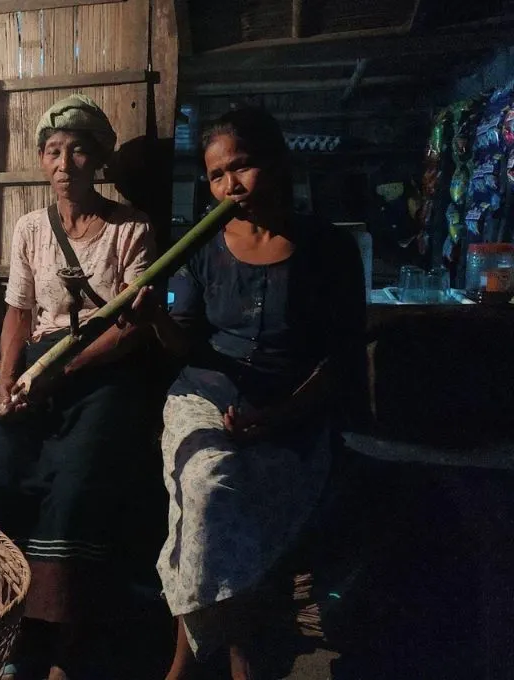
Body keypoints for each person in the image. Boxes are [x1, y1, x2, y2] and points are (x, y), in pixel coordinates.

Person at [130, 108, 367, 679]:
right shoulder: (203, 246)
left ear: (276, 163)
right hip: (204, 400)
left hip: (293, 412)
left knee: (235, 507)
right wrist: (150, 319)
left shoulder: (328, 249)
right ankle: (233, 658)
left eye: (243, 166)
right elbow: (185, 346)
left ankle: (193, 662)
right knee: (209, 485)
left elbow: (341, 360)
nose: (229, 185)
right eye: (216, 175)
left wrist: (280, 415)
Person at [0, 95, 156, 680]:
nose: (64, 162)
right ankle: (6, 624)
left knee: (75, 492)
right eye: (53, 151)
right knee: (0, 475)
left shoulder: (131, 229)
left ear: (97, 158)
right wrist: (6, 383)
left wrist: (63, 371)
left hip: (100, 372)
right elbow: (17, 314)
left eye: (78, 150)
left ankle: (62, 640)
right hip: (35, 368)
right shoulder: (30, 227)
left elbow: (130, 328)